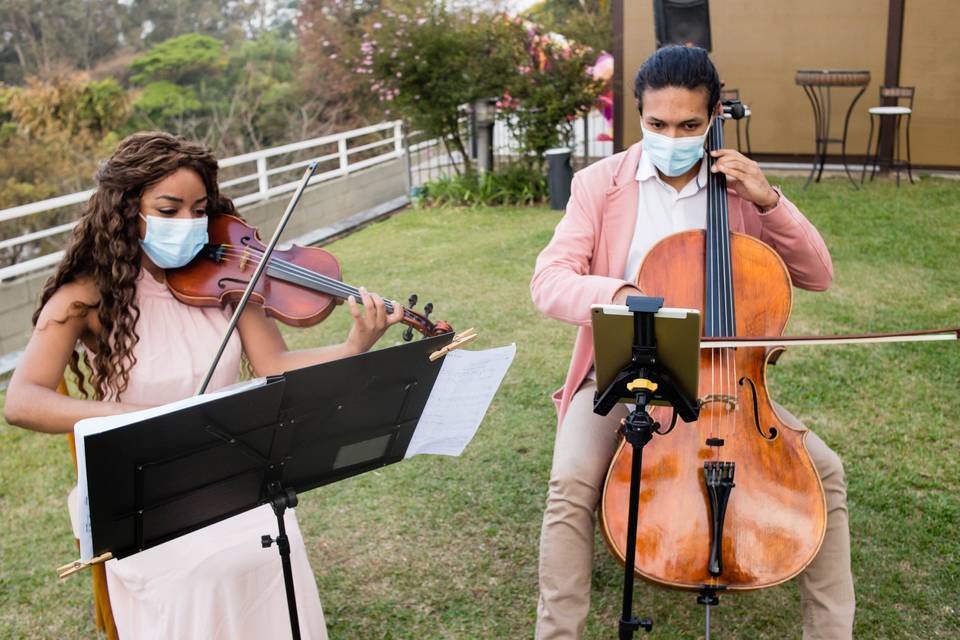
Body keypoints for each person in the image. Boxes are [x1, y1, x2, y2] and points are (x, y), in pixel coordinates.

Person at [4, 131, 405, 639]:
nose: (188, 225)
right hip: (141, 485)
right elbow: (22, 400)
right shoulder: (86, 294)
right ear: (126, 209)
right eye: (168, 210)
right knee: (208, 571)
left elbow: (275, 363)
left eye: (199, 210)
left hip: (229, 471)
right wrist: (130, 419)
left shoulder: (227, 276)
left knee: (272, 546)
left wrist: (352, 347)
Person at [530, 46, 854, 640]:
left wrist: (768, 200)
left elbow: (817, 274)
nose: (671, 136)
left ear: (712, 120)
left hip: (729, 383)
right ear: (639, 116)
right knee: (572, 479)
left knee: (825, 471)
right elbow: (548, 282)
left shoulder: (735, 189)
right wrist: (626, 294)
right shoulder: (599, 186)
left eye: (688, 126)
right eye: (657, 124)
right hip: (625, 373)